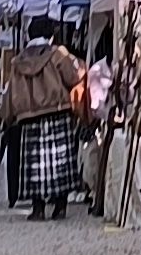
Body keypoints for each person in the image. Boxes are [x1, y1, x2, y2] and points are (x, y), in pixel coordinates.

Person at [7, 21, 90, 221]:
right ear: (50, 35)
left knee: (35, 164)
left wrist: (7, 116)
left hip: (29, 117)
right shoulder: (57, 54)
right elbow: (74, 77)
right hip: (57, 111)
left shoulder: (18, 62)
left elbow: (11, 93)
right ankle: (60, 207)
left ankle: (38, 208)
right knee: (59, 161)